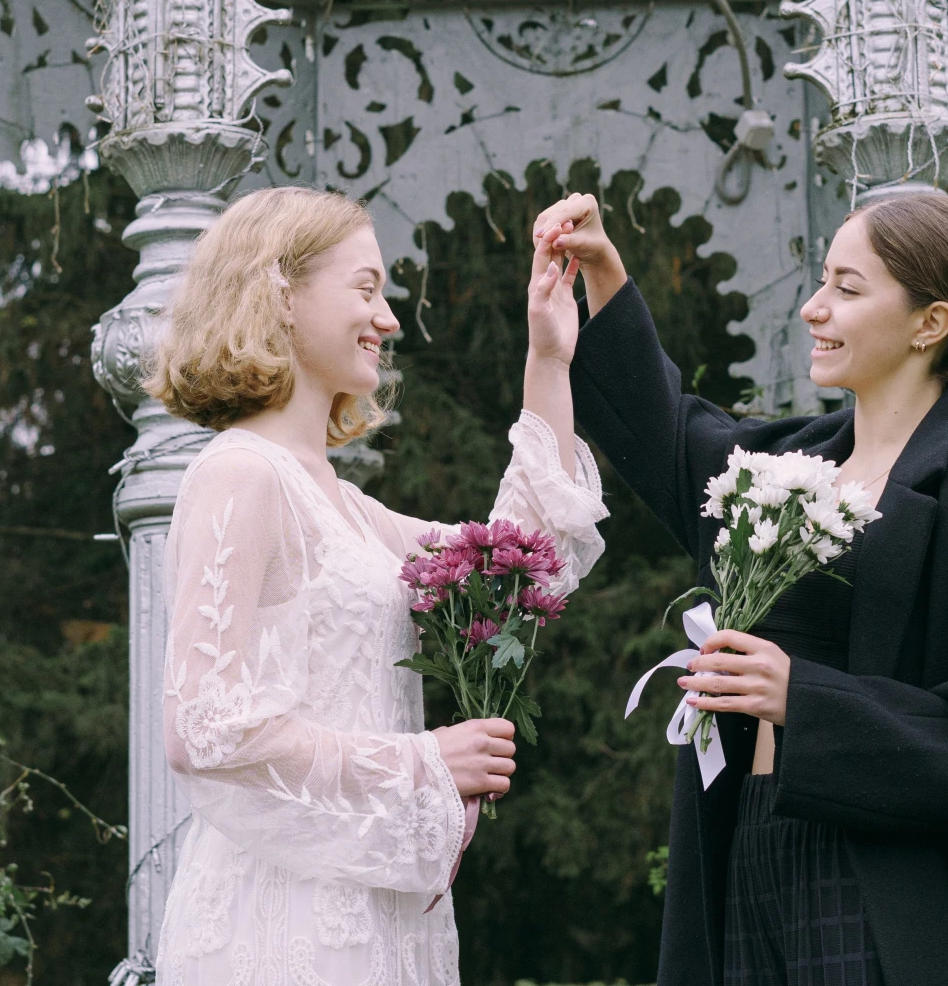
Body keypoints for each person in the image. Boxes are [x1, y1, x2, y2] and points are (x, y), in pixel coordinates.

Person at [532, 189, 948, 986]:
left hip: (876, 878)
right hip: (741, 845)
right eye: (822, 280)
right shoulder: (790, 466)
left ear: (930, 323)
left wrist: (806, 698)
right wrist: (602, 272)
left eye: (847, 289)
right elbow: (668, 436)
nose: (813, 309)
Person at [145, 186, 608, 986]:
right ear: (280, 293)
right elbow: (202, 724)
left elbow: (522, 559)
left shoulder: (345, 507)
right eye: (366, 287)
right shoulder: (237, 474)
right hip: (281, 919)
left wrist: (548, 356)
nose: (388, 318)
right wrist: (421, 760)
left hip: (374, 917)